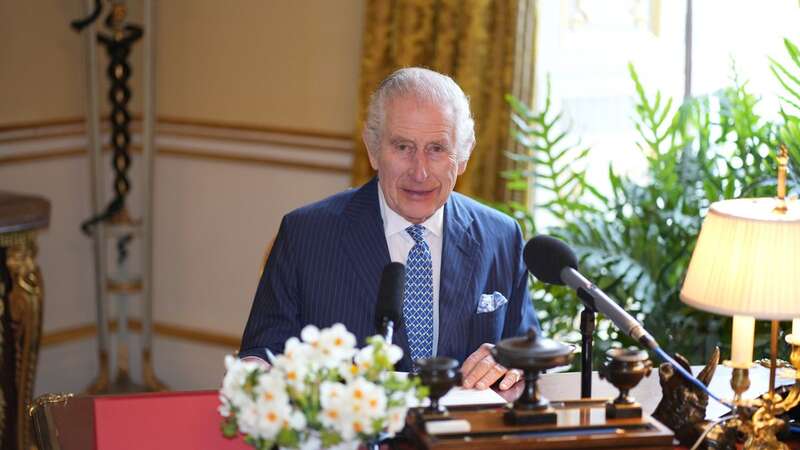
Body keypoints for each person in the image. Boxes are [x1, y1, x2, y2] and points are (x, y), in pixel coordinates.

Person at [239, 67, 538, 392]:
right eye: (403, 147)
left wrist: (507, 358)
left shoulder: (501, 236)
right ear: (373, 149)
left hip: (461, 437)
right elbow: (262, 353)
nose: (419, 172)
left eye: (437, 148)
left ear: (463, 156)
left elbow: (526, 344)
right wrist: (255, 373)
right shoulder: (306, 235)